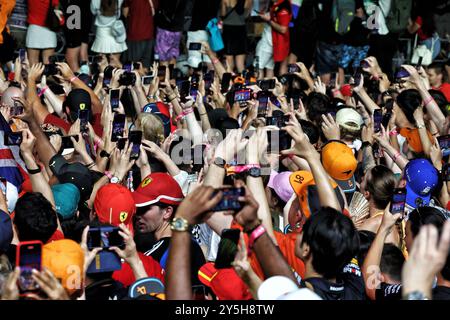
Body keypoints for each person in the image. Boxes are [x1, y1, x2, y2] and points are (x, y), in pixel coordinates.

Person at [256, 0, 292, 76]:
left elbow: (283, 29)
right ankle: (269, 88)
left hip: (269, 43)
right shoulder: (275, 4)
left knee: (258, 67)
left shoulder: (283, 8)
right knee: (269, 68)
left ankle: (256, 87)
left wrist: (268, 20)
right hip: (271, 42)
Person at [122, 0, 158, 69]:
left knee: (133, 65)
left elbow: (125, 13)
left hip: (135, 34)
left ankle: (135, 79)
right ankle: (145, 79)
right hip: (149, 33)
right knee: (146, 65)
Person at [26, 0, 63, 66]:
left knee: (33, 64)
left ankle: (34, 76)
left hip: (34, 29)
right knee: (48, 63)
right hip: (49, 30)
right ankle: (47, 76)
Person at [221, 0, 253, 73]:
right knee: (240, 65)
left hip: (228, 31)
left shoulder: (225, 0)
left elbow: (223, 14)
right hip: (241, 31)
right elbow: (247, 16)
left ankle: (228, 83)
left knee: (229, 65)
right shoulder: (249, 1)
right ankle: (245, 83)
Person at [154, 0, 189, 66]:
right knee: (173, 55)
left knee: (163, 57)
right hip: (177, 27)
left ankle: (164, 75)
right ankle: (171, 74)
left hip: (165, 27)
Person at [61, 0, 93, 73]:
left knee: (72, 59)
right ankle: (87, 81)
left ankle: (80, 82)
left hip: (74, 16)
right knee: (83, 56)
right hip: (83, 15)